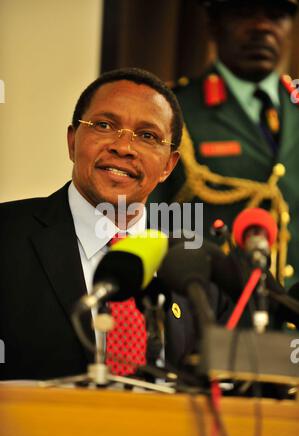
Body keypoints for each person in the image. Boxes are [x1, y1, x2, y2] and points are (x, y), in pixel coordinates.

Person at [0, 67, 189, 380]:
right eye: (104, 125)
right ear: (73, 140)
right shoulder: (7, 235)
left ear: (169, 165)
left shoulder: (190, 268)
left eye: (147, 136)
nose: (123, 147)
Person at [148, 0, 299, 288]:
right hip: (212, 312)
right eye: (244, 13)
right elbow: (151, 220)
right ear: (214, 25)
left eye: (276, 15)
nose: (262, 27)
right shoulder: (175, 108)